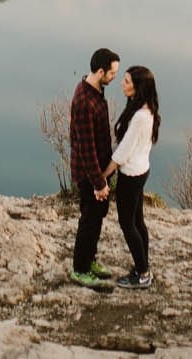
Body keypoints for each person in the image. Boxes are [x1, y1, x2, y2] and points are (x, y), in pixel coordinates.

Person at [68, 47, 121, 289]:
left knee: (96, 218)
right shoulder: (84, 102)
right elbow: (86, 148)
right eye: (112, 73)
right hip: (90, 174)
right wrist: (99, 184)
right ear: (100, 71)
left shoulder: (95, 91)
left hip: (98, 171)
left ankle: (89, 260)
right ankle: (80, 269)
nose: (114, 77)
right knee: (88, 220)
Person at [104, 65, 160, 289]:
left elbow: (123, 151)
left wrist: (103, 175)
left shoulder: (140, 116)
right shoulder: (144, 110)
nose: (121, 84)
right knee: (137, 222)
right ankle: (142, 267)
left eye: (126, 81)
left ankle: (143, 273)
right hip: (141, 170)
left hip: (131, 174)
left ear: (138, 87)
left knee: (128, 224)